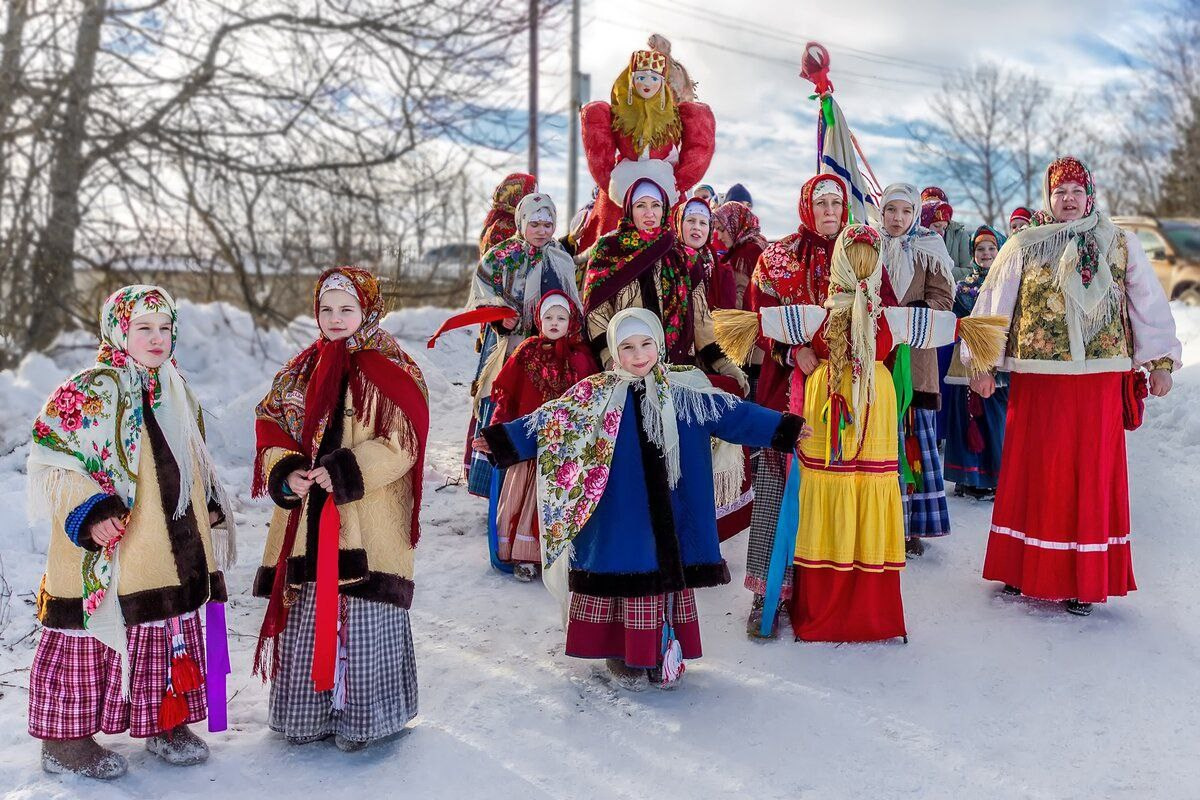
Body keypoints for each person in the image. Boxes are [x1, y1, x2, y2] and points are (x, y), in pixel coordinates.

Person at [476, 308, 810, 690]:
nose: (638, 355)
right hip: (620, 515)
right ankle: (623, 656)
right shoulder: (593, 398)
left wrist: (784, 429)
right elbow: (551, 421)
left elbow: (734, 414)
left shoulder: (686, 398)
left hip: (673, 510)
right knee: (625, 578)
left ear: (659, 344)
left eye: (646, 344)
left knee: (663, 578)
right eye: (628, 347)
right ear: (615, 353)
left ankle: (662, 651)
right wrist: (503, 440)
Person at [714, 225, 1007, 642]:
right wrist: (969, 331)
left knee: (828, 490)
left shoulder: (819, 315)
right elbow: (950, 327)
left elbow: (757, 323)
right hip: (871, 403)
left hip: (830, 401)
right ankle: (865, 609)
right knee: (860, 487)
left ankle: (823, 605)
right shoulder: (889, 318)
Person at [27, 285, 235, 778]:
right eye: (144, 327)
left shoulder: (175, 387)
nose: (157, 338)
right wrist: (91, 513)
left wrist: (205, 502)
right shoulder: (91, 388)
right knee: (95, 631)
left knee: (167, 626)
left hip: (171, 542)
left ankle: (167, 720)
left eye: (165, 328)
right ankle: (66, 738)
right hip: (112, 541)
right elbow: (56, 457)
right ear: (119, 328)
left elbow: (193, 454)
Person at [967, 156, 1181, 616]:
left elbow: (1147, 303)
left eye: (1075, 191)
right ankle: (1023, 567)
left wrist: (1161, 362)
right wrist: (982, 363)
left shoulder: (1119, 243)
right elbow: (993, 303)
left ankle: (1085, 579)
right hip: (1039, 381)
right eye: (1059, 192)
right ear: (1049, 197)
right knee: (1034, 470)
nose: (1068, 199)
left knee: (1088, 473)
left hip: (1099, 381)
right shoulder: (1023, 244)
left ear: (1090, 195)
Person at [252, 267, 428, 750]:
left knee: (361, 614)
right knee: (310, 608)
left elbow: (403, 439)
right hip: (308, 517)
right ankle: (308, 715)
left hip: (366, 518)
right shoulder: (299, 370)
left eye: (346, 309)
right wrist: (286, 467)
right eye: (326, 309)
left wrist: (347, 468)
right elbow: (270, 422)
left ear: (366, 310)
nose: (335, 318)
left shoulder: (389, 365)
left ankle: (363, 720)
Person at [742, 174, 851, 637]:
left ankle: (821, 593)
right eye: (820, 202)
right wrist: (792, 351)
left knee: (832, 493)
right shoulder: (778, 257)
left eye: (836, 202)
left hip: (846, 395)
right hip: (786, 391)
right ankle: (768, 592)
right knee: (775, 490)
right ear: (807, 206)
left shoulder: (862, 254)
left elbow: (882, 312)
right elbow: (757, 319)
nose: (829, 210)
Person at [464, 192, 581, 498]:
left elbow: (572, 297)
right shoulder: (501, 256)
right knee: (504, 400)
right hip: (509, 344)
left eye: (548, 223)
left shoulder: (560, 257)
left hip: (547, 347)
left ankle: (534, 484)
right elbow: (482, 291)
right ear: (522, 221)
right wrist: (498, 316)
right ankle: (494, 485)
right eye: (535, 223)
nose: (542, 230)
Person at [582, 178, 746, 394]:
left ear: (664, 209)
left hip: (675, 373)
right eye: (641, 205)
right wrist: (611, 360)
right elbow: (596, 313)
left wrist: (724, 363)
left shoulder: (685, 258)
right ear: (630, 209)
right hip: (625, 370)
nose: (649, 213)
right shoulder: (608, 251)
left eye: (655, 206)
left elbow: (701, 321)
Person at [488, 291, 600, 580]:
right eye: (548, 316)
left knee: (558, 501)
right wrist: (498, 430)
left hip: (563, 450)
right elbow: (507, 397)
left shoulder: (582, 358)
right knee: (524, 500)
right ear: (538, 319)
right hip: (528, 445)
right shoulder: (526, 351)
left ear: (571, 321)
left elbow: (590, 402)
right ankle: (524, 557)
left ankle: (560, 557)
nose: (554, 322)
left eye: (561, 317)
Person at [577, 35, 715, 250]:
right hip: (620, 195)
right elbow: (598, 149)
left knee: (668, 250)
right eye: (641, 77)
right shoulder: (616, 114)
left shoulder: (678, 116)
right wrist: (609, 182)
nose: (648, 84)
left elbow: (699, 147)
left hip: (666, 192)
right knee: (612, 248)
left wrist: (679, 182)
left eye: (655, 79)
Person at [880, 183, 956, 557]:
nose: (897, 218)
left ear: (914, 214)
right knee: (880, 438)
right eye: (891, 210)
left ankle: (913, 526)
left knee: (913, 436)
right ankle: (883, 520)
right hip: (879, 356)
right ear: (881, 212)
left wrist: (914, 315)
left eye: (905, 211)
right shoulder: (868, 245)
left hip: (915, 355)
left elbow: (944, 296)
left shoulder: (930, 248)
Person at [944, 226, 1009, 499]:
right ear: (973, 253)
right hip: (967, 363)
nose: (986, 254)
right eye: (981, 249)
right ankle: (968, 476)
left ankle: (996, 476)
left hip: (998, 363)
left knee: (995, 418)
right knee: (967, 416)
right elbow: (956, 321)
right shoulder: (963, 288)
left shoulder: (1007, 285)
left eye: (991, 249)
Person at [712, 200, 768, 310]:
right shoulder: (759, 241)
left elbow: (740, 299)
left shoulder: (744, 253)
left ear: (734, 224)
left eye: (721, 230)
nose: (718, 237)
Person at [479, 173, 537, 258]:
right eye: (531, 195)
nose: (536, 201)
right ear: (518, 196)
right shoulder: (505, 227)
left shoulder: (497, 219)